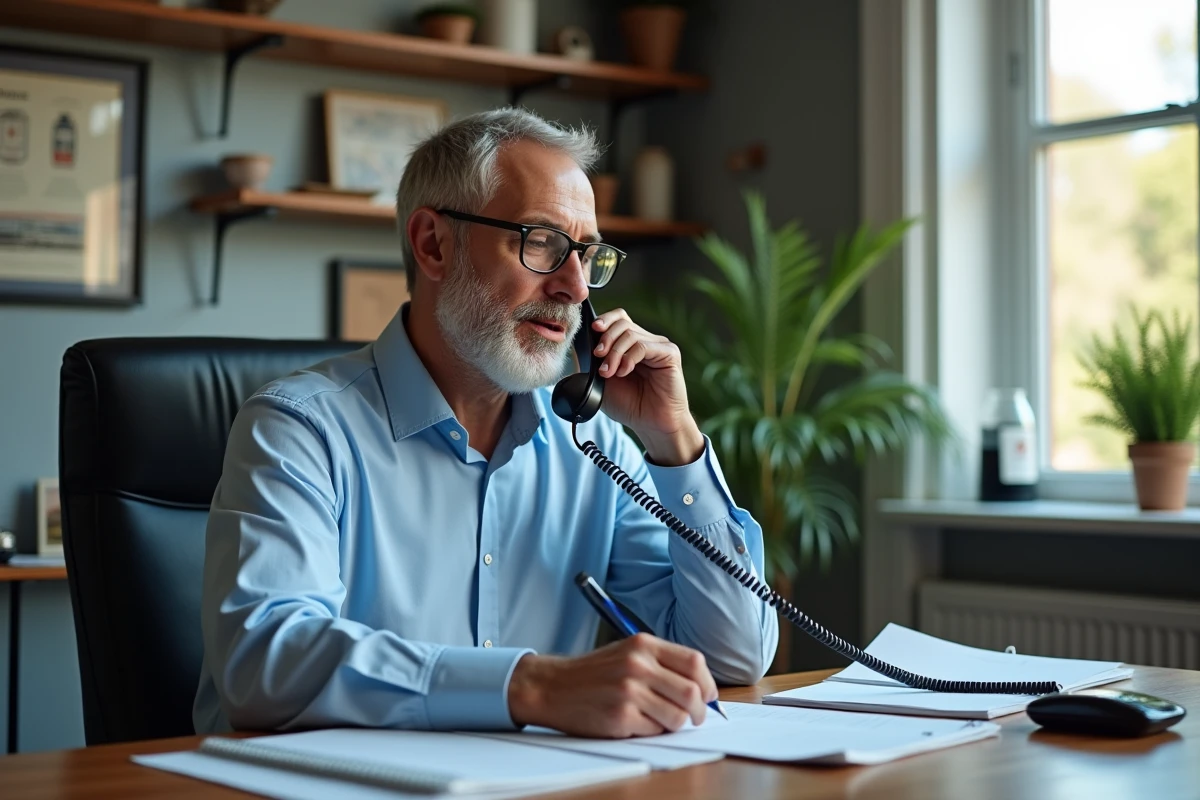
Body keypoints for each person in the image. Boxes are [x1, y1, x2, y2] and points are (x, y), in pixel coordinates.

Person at [193, 108, 779, 739]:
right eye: (543, 243)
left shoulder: (592, 444)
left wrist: (675, 443)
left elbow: (733, 655)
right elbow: (266, 664)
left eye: (587, 255)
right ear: (433, 245)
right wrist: (532, 686)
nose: (576, 288)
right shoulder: (298, 430)